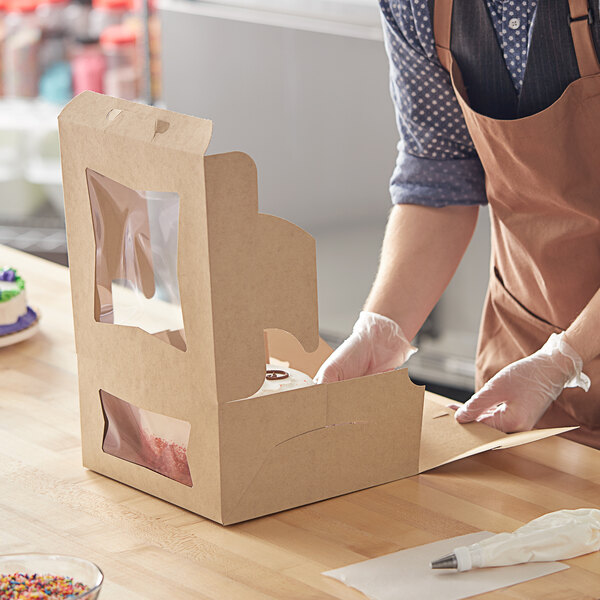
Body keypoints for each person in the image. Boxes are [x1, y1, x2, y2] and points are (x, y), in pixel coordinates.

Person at [315, 0, 600, 449]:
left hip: (551, 361)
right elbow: (439, 175)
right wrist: (382, 328)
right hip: (526, 349)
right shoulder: (417, 5)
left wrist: (564, 358)